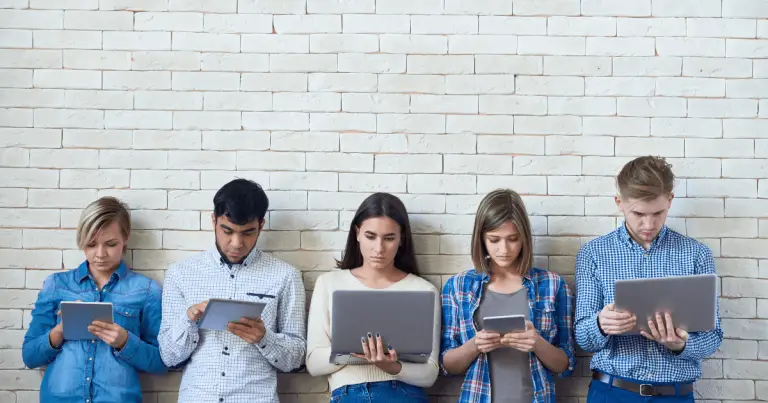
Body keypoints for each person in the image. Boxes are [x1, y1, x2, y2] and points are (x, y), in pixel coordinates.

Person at [574, 156, 724, 402]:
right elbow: (583, 338)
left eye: (658, 212)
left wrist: (680, 344)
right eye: (638, 213)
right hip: (612, 392)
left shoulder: (697, 254)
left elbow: (713, 336)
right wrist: (601, 324)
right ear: (619, 203)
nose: (648, 224)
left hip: (675, 395)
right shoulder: (594, 254)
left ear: (670, 200)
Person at [157, 178, 306, 403]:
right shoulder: (180, 274)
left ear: (261, 226)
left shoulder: (285, 276)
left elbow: (296, 358)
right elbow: (168, 357)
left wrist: (265, 338)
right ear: (213, 220)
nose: (236, 243)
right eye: (227, 231)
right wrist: (190, 319)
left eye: (247, 233)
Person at [21, 196, 167, 403]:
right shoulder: (57, 285)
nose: (100, 254)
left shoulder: (146, 290)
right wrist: (60, 330)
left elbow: (162, 362)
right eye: (91, 244)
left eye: (110, 244)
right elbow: (29, 357)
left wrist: (125, 342)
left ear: (125, 238)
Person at [440, 189, 576, 403]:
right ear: (481, 239)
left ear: (524, 239)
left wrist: (537, 343)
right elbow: (446, 366)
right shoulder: (459, 286)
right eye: (494, 240)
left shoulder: (552, 285)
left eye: (513, 239)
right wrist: (475, 345)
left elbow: (566, 365)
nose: (504, 249)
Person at [305, 192, 440, 402]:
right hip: (350, 395)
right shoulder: (329, 283)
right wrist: (361, 354)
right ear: (357, 233)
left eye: (389, 238)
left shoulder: (423, 290)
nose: (379, 248)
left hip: (404, 395)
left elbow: (430, 373)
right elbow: (314, 363)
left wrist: (391, 366)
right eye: (370, 236)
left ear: (401, 238)